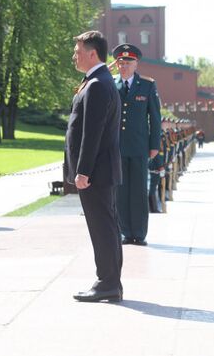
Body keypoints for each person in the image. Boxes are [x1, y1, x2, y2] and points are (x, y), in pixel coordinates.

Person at [65, 31, 123, 303]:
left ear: (92, 53)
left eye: (78, 51)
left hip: (95, 173)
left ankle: (108, 282)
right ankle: (109, 281)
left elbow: (92, 133)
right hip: (97, 171)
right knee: (104, 225)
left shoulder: (98, 84)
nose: (74, 55)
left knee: (103, 226)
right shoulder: (95, 81)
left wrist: (83, 171)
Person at [111, 43, 162, 246]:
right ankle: (125, 232)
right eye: (120, 62)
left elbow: (155, 118)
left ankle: (139, 234)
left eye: (128, 62)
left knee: (139, 191)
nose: (124, 65)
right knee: (120, 191)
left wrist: (154, 145)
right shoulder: (110, 84)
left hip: (140, 146)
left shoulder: (147, 85)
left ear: (136, 63)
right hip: (116, 147)